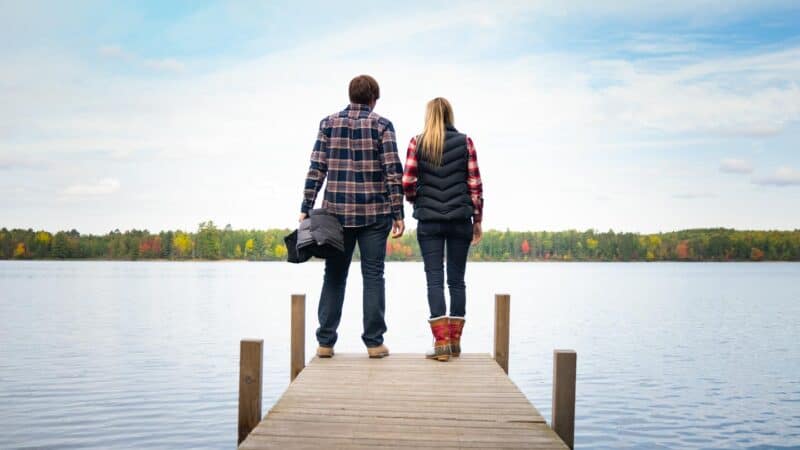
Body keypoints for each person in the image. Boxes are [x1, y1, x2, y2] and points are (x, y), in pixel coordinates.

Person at [300, 75, 405, 359]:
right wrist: (398, 213)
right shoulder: (382, 125)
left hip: (335, 214)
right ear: (373, 98)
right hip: (375, 213)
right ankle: (373, 343)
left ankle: (325, 343)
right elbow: (393, 172)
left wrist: (305, 206)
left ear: (351, 96)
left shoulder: (328, 124)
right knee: (373, 276)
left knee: (333, 276)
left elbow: (316, 168)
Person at [402, 97, 484, 362]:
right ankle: (455, 342)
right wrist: (478, 219)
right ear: (450, 115)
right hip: (461, 218)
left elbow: (407, 181)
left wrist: (418, 199)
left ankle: (441, 344)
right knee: (457, 280)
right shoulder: (465, 142)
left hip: (429, 221)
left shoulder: (417, 142)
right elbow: (475, 183)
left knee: (434, 279)